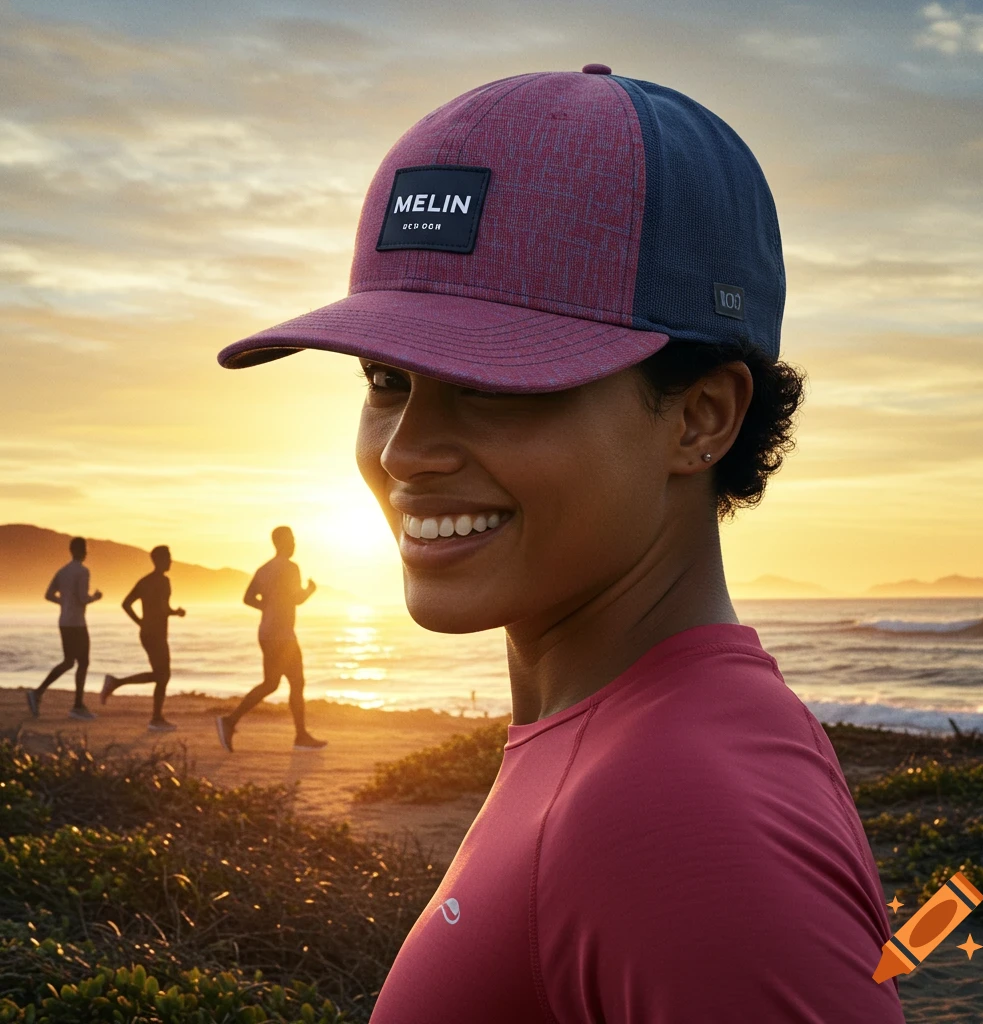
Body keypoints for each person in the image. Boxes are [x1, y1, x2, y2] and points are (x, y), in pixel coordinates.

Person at [217, 67, 905, 1022]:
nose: (407, 450)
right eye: (385, 378)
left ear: (700, 418)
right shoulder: (624, 743)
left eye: (496, 385)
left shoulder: (677, 816)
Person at [215, 526, 326, 752]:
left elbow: (247, 598)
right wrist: (310, 590)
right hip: (283, 635)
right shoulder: (291, 567)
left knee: (271, 683)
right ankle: (301, 737)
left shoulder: (264, 569)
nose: (295, 544)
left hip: (267, 632)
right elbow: (297, 599)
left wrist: (267, 607)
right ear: (282, 542)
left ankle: (230, 721)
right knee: (296, 683)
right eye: (292, 540)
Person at [100, 545, 185, 731]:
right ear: (160, 560)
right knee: (163, 675)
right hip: (157, 634)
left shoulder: (144, 581)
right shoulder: (163, 581)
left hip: (146, 632)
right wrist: (176, 612)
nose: (171, 561)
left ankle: (155, 716)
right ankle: (154, 718)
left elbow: (126, 604)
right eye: (168, 557)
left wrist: (140, 622)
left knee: (161, 675)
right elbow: (163, 608)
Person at [28, 535, 103, 720]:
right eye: (84, 549)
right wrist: (96, 597)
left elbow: (48, 595)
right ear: (80, 551)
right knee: (83, 662)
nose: (86, 552)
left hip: (64, 622)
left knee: (69, 661)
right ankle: (77, 706)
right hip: (77, 623)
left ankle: (38, 693)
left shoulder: (62, 571)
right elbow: (83, 598)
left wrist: (64, 603)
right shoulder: (83, 571)